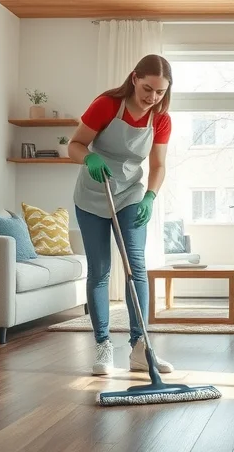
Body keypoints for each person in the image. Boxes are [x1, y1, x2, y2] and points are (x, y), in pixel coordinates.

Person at [68, 53, 174, 375]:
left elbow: (157, 166)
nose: (152, 97)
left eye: (159, 92)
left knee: (136, 266)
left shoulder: (161, 119)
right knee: (100, 269)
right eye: (147, 89)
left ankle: (140, 348)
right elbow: (74, 145)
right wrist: (88, 158)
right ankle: (103, 347)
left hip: (130, 194)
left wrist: (151, 197)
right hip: (93, 193)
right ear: (134, 79)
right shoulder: (106, 105)